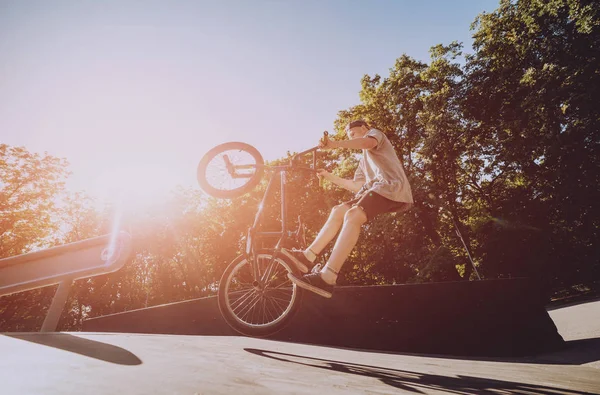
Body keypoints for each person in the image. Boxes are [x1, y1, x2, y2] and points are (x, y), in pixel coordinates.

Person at [282, 120, 414, 298]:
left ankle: (328, 276)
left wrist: (334, 144)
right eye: (349, 136)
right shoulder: (363, 162)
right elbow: (356, 186)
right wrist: (329, 176)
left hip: (391, 188)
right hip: (375, 191)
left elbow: (366, 143)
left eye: (353, 134)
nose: (351, 137)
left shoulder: (376, 134)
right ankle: (307, 257)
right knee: (338, 210)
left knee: (354, 215)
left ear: (364, 128)